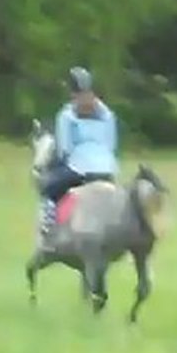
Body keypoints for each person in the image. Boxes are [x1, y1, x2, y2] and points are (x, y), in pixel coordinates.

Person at [37, 66, 118, 244]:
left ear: (72, 92)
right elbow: (111, 146)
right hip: (108, 171)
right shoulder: (108, 115)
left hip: (80, 170)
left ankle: (48, 226)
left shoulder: (67, 115)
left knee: (49, 188)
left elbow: (64, 150)